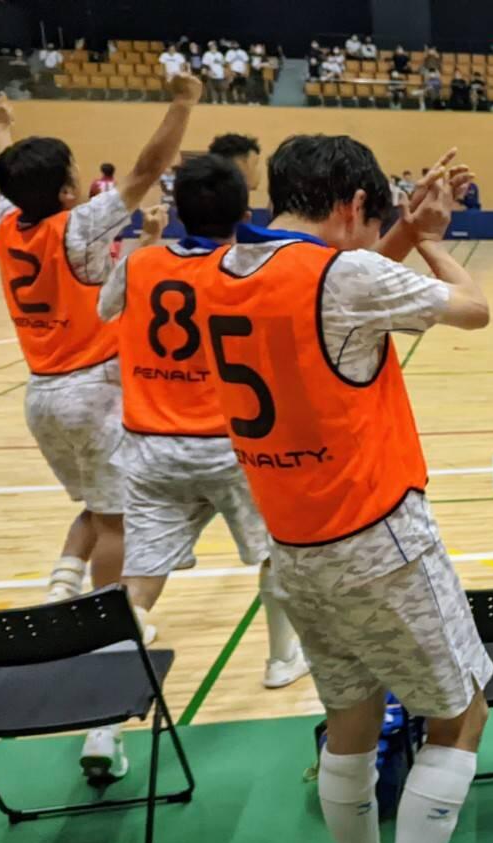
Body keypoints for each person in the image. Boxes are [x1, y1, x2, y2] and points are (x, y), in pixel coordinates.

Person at [195, 137, 488, 843]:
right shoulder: (348, 275)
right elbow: (474, 310)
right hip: (379, 538)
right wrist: (427, 244)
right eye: (372, 217)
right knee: (460, 716)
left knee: (352, 721)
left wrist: (397, 236)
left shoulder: (223, 269)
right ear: (354, 205)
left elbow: (333, 287)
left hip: (295, 548)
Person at [84, 152, 309, 780]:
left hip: (151, 446)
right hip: (228, 442)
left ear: (176, 209)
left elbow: (105, 312)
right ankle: (280, 659)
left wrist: (148, 246)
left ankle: (101, 726)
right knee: (276, 552)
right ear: (245, 211)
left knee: (140, 585)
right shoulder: (245, 268)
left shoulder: (143, 263)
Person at [0, 78, 200, 613]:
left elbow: (5, 184)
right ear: (65, 191)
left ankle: (63, 582)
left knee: (96, 507)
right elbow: (146, 171)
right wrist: (182, 103)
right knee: (117, 520)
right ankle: (107, 623)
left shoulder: (6, 224)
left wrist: (2, 126)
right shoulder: (75, 229)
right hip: (94, 390)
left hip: (41, 396)